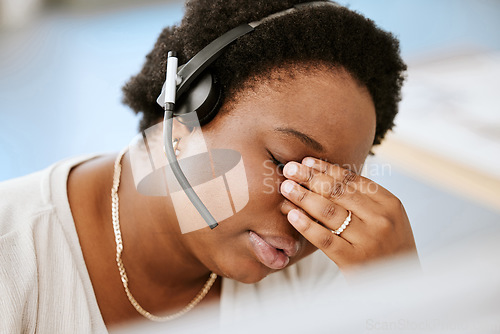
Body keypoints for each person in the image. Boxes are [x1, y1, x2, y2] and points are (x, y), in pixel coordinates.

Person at [0, 0, 416, 332]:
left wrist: (397, 295)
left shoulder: (334, 263)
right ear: (187, 110)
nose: (308, 210)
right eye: (285, 163)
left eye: (335, 187)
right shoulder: (12, 258)